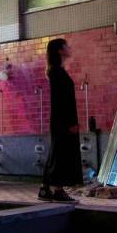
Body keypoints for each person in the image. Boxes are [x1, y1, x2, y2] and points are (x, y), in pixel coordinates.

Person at [39, 38, 81, 203]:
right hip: (62, 120)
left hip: (60, 120)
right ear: (59, 50)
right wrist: (70, 122)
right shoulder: (56, 72)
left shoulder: (57, 71)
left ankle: (46, 188)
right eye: (66, 46)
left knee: (57, 152)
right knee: (61, 153)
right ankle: (57, 189)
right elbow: (61, 100)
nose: (69, 48)